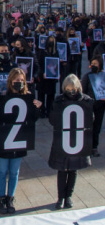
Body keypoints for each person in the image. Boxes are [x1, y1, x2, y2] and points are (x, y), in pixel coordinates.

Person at [0, 68, 42, 214]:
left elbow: (33, 119)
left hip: (19, 140)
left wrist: (37, 109)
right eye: (16, 80)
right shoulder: (2, 96)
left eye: (21, 81)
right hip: (4, 140)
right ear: (10, 81)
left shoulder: (28, 96)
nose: (19, 83)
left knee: (14, 172)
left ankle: (10, 198)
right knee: (2, 170)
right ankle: (1, 198)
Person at [49, 74, 92, 209]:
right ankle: (60, 197)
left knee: (73, 170)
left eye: (73, 88)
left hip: (77, 139)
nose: (71, 91)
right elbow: (52, 120)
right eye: (68, 89)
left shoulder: (85, 100)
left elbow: (91, 119)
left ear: (78, 87)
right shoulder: (58, 101)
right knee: (62, 169)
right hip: (63, 140)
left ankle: (68, 197)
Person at [81, 55, 104, 157]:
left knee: (97, 127)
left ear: (100, 65)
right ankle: (87, 147)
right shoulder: (87, 76)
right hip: (89, 105)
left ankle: (94, 147)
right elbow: (82, 91)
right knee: (88, 127)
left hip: (100, 105)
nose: (93, 65)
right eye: (92, 64)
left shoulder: (103, 75)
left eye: (95, 64)